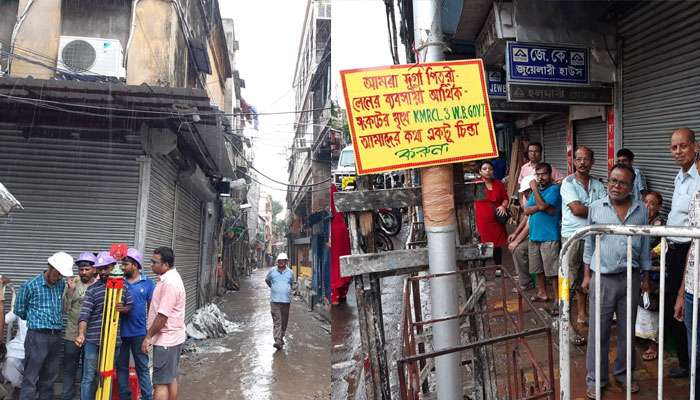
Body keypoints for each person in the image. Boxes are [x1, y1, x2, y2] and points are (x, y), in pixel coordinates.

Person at [581, 163, 651, 398]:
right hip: (602, 279)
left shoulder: (641, 210)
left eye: (622, 182)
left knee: (626, 331)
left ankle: (624, 375)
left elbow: (644, 248)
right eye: (612, 180)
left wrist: (646, 276)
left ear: (631, 187)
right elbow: (588, 244)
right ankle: (595, 379)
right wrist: (587, 275)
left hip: (630, 278)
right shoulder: (595, 208)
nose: (615, 186)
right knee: (597, 332)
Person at [560, 146, 606, 346]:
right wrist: (597, 211)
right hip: (574, 238)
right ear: (574, 161)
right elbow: (577, 209)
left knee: (586, 280)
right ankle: (565, 324)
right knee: (569, 282)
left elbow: (608, 207)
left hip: (594, 237)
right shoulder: (568, 183)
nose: (582, 163)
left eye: (586, 159)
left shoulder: (597, 184)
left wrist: (599, 211)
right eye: (578, 159)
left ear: (592, 161)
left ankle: (582, 315)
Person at [15, 251, 74, 400]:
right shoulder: (30, 285)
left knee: (49, 377)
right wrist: (37, 319)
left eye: (62, 275)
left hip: (56, 336)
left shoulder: (61, 285)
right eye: (58, 273)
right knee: (31, 376)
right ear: (50, 266)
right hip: (37, 336)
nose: (59, 277)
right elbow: (19, 310)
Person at [75, 251, 133, 400]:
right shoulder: (93, 289)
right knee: (88, 377)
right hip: (93, 341)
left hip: (113, 341)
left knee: (106, 374)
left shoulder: (124, 287)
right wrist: (81, 333)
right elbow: (84, 315)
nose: (102, 272)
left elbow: (130, 307)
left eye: (106, 268)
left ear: (113, 267)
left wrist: (124, 309)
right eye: (100, 268)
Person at [666, 128, 700, 379]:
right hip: (673, 247)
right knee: (675, 306)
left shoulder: (698, 177)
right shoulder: (680, 176)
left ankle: (691, 364)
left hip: (689, 250)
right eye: (674, 147)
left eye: (683, 146)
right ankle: (686, 363)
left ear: (695, 146)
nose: (678, 151)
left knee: (684, 307)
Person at [141, 247, 186, 400]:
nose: (151, 265)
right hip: (173, 338)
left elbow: (162, 317)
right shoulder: (169, 278)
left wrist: (148, 337)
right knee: (170, 378)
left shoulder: (170, 283)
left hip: (166, 339)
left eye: (154, 262)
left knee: (160, 383)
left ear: (165, 265)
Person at [117, 248, 155, 400]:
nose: (122, 267)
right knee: (121, 368)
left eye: (125, 264)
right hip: (119, 333)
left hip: (139, 333)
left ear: (135, 265)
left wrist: (150, 334)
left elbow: (152, 309)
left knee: (142, 368)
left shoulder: (148, 283)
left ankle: (147, 397)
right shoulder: (118, 282)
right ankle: (125, 397)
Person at [523, 163, 562, 307]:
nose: (540, 177)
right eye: (538, 174)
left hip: (549, 236)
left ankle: (558, 298)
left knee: (552, 271)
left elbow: (543, 206)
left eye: (543, 174)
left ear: (550, 174)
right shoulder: (537, 191)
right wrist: (540, 206)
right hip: (534, 235)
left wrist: (534, 189)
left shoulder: (555, 189)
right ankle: (542, 293)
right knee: (537, 269)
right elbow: (527, 210)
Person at [62, 252, 97, 400]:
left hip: (92, 335)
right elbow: (64, 309)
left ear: (94, 269)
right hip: (72, 333)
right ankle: (67, 397)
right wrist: (70, 291)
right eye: (81, 269)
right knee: (69, 368)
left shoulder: (100, 284)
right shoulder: (73, 283)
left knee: (89, 371)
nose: (83, 272)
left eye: (87, 269)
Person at [635, 191, 664, 362]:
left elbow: (661, 246)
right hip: (640, 269)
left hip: (655, 271)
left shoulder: (660, 224)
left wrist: (648, 255)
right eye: (645, 202)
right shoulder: (640, 221)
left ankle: (654, 343)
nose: (647, 206)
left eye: (652, 203)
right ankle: (641, 337)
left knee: (653, 306)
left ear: (659, 206)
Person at [474, 161, 509, 272]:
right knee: (483, 243)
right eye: (484, 169)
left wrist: (503, 206)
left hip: (497, 218)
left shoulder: (498, 184)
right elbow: (472, 204)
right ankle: (482, 270)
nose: (488, 171)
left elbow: (505, 198)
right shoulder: (476, 185)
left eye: (490, 169)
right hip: (482, 219)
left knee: (497, 244)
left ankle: (498, 268)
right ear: (480, 171)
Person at [508, 175, 536, 291]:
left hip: (539, 235)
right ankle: (523, 276)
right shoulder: (530, 200)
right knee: (515, 244)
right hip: (533, 234)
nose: (525, 195)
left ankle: (526, 282)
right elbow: (526, 217)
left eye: (526, 192)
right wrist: (516, 233)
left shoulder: (537, 199)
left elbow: (529, 226)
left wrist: (517, 241)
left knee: (518, 248)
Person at [265, 253, 294, 349]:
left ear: (286, 262)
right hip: (274, 301)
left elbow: (291, 284)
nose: (281, 262)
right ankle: (277, 339)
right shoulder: (272, 271)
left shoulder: (290, 272)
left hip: (286, 301)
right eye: (279, 261)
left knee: (284, 321)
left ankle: (281, 338)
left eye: (283, 261)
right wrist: (274, 288)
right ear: (277, 262)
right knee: (277, 321)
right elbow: (267, 280)